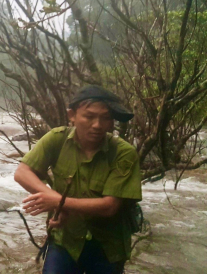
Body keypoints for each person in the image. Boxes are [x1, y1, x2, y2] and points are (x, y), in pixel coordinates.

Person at [14, 86, 142, 274]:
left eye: (105, 118)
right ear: (72, 115)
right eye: (89, 117)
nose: (97, 125)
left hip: (108, 246)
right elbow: (22, 172)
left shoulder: (123, 153)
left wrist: (59, 202)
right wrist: (58, 203)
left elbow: (110, 206)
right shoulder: (57, 139)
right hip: (65, 240)